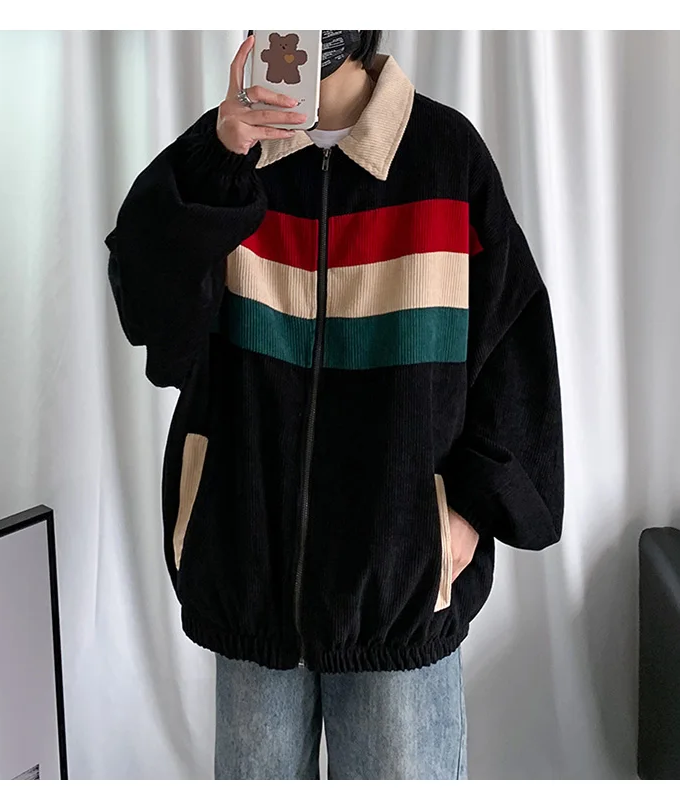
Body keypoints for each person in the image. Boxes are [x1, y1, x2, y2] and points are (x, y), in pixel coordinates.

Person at [105, 30, 564, 780]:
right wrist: (218, 155)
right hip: (250, 576)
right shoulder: (230, 157)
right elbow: (153, 319)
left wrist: (471, 509)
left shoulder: (443, 156)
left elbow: (515, 345)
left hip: (398, 594)